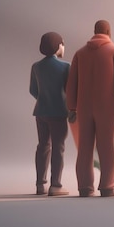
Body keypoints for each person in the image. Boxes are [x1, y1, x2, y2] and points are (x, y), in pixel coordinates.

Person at [66, 20, 114, 197]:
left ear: (94, 31)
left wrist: (71, 107)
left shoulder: (80, 54)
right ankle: (108, 185)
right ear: (109, 32)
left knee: (85, 147)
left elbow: (71, 83)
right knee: (106, 146)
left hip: (83, 106)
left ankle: (84, 187)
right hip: (106, 107)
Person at [29, 32, 70, 196]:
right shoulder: (66, 66)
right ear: (59, 46)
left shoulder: (36, 66)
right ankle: (55, 184)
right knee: (58, 147)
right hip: (59, 112)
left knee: (43, 146)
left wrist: (44, 98)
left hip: (41, 112)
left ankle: (40, 184)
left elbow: (33, 90)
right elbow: (70, 90)